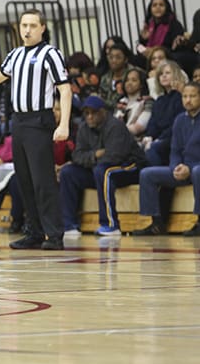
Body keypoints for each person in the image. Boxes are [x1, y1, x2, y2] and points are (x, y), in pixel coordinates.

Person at [0, 8, 73, 250]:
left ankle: (54, 235)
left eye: (33, 25)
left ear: (43, 28)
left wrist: (63, 123)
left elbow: (65, 89)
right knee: (24, 180)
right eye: (24, 25)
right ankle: (34, 232)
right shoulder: (15, 54)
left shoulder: (50, 54)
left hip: (39, 120)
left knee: (43, 180)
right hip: (19, 122)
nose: (27, 30)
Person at [60, 96, 147, 237]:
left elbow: (114, 157)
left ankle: (110, 225)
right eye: (86, 113)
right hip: (98, 169)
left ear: (103, 112)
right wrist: (95, 155)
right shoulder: (83, 128)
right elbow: (76, 156)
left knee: (104, 172)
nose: (89, 117)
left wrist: (89, 159)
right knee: (68, 172)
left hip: (130, 167)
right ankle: (69, 225)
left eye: (93, 113)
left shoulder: (115, 126)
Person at [132, 82, 200, 236]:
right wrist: (175, 167)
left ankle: (199, 222)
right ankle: (156, 223)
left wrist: (189, 168)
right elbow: (175, 150)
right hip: (183, 169)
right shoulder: (179, 120)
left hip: (196, 169)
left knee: (197, 171)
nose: (188, 100)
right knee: (147, 174)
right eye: (185, 96)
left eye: (193, 96)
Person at [142, 59, 186, 166]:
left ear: (176, 75)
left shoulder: (181, 97)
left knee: (153, 148)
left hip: (175, 138)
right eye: (161, 74)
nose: (164, 76)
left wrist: (159, 139)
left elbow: (178, 123)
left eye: (167, 73)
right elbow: (153, 123)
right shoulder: (159, 100)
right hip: (160, 139)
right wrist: (149, 137)